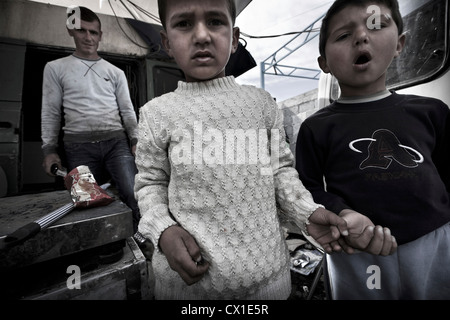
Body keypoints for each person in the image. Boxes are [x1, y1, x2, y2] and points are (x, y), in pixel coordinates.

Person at [133, 0, 362, 300]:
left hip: (268, 283)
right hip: (188, 291)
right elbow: (150, 184)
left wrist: (307, 213)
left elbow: (281, 174)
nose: (201, 35)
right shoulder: (155, 114)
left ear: (235, 38)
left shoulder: (262, 104)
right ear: (167, 42)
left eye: (215, 21)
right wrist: (163, 232)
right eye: (184, 24)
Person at [296, 0, 450, 299]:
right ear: (324, 63)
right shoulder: (316, 127)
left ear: (400, 44)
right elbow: (306, 189)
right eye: (342, 35)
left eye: (376, 26)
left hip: (435, 243)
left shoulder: (431, 111)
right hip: (357, 250)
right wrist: (341, 212)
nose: (361, 37)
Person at [41, 6, 141, 233]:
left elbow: (127, 110)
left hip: (116, 143)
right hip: (78, 147)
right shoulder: (55, 68)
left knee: (133, 191)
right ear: (71, 31)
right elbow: (50, 112)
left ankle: (139, 238)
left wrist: (135, 139)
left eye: (93, 32)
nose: (88, 37)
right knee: (85, 202)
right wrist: (49, 150)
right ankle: (101, 244)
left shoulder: (115, 72)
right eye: (82, 31)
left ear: (100, 35)